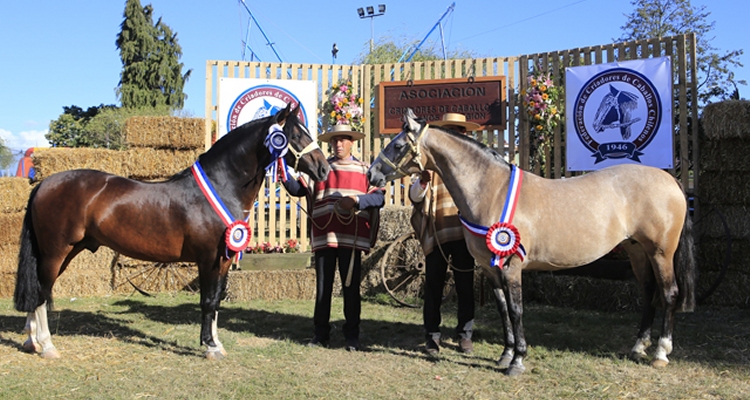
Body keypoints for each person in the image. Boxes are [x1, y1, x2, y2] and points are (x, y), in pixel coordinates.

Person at [283, 123, 384, 352]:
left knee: (351, 288)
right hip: (325, 236)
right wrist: (281, 172)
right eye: (335, 140)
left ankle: (352, 337)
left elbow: (379, 198)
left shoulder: (364, 170)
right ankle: (321, 334)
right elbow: (299, 189)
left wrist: (357, 201)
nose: (338, 144)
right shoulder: (321, 168)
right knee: (323, 288)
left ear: (352, 142)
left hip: (351, 239)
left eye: (343, 139)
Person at [409, 113, 480, 356]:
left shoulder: (472, 165)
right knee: (434, 285)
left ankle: (465, 335)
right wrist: (422, 183)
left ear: (465, 135)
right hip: (438, 229)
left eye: (459, 131)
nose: (455, 135)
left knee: (464, 285)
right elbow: (414, 196)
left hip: (464, 232)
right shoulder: (431, 162)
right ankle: (432, 336)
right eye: (450, 131)